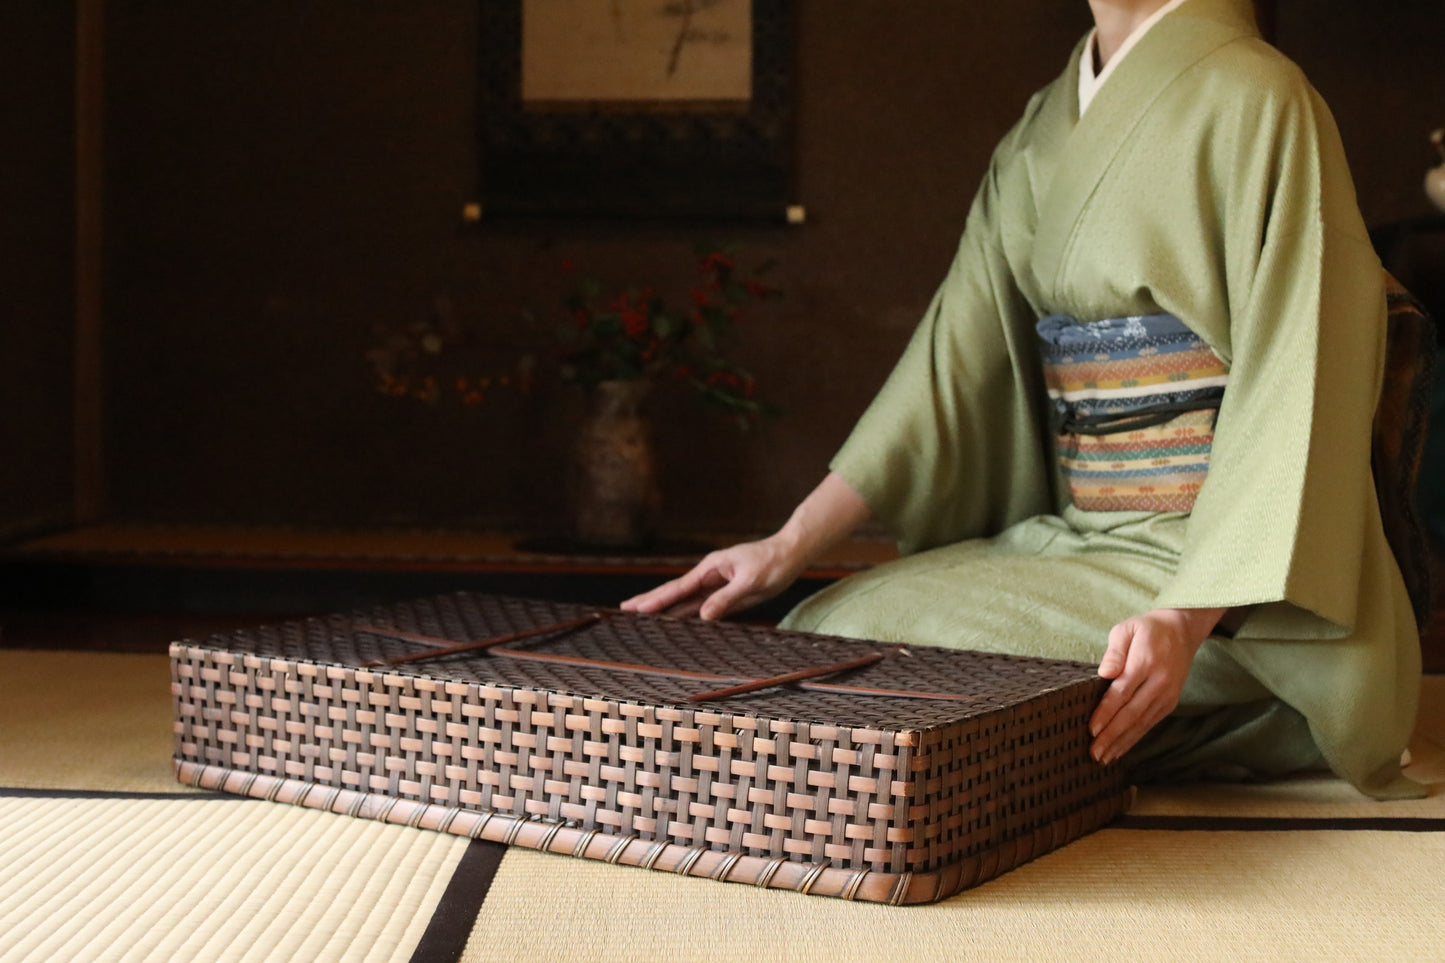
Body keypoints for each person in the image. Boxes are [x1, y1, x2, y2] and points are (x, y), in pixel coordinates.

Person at [623, 0, 1424, 800]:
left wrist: (1183, 618)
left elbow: (1302, 372)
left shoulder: (1261, 97)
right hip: (1085, 543)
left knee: (856, 652)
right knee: (829, 621)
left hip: (1222, 575)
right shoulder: (1045, 123)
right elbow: (946, 371)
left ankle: (1252, 696)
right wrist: (787, 544)